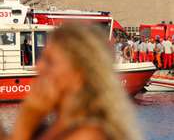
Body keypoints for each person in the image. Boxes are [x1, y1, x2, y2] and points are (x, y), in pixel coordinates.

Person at [9, 23, 142, 140]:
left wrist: (27, 118)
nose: (38, 67)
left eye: (50, 61)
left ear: (79, 72)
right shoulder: (52, 128)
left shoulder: (88, 135)